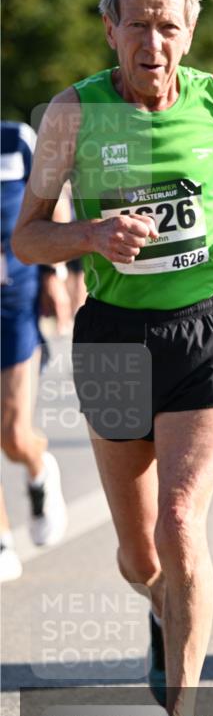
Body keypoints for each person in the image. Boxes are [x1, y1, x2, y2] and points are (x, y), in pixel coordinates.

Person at [12, 0, 213, 716]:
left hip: (204, 327)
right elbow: (26, 234)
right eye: (138, 26)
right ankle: (159, 611)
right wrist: (88, 237)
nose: (155, 43)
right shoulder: (73, 113)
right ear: (111, 28)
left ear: (190, 29)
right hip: (111, 338)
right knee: (140, 557)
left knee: (180, 522)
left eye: (169, 26)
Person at [1, 120, 69, 583]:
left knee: (12, 435)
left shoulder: (16, 140)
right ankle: (2, 539)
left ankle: (38, 462)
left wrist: (54, 276)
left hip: (13, 309)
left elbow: (51, 211)